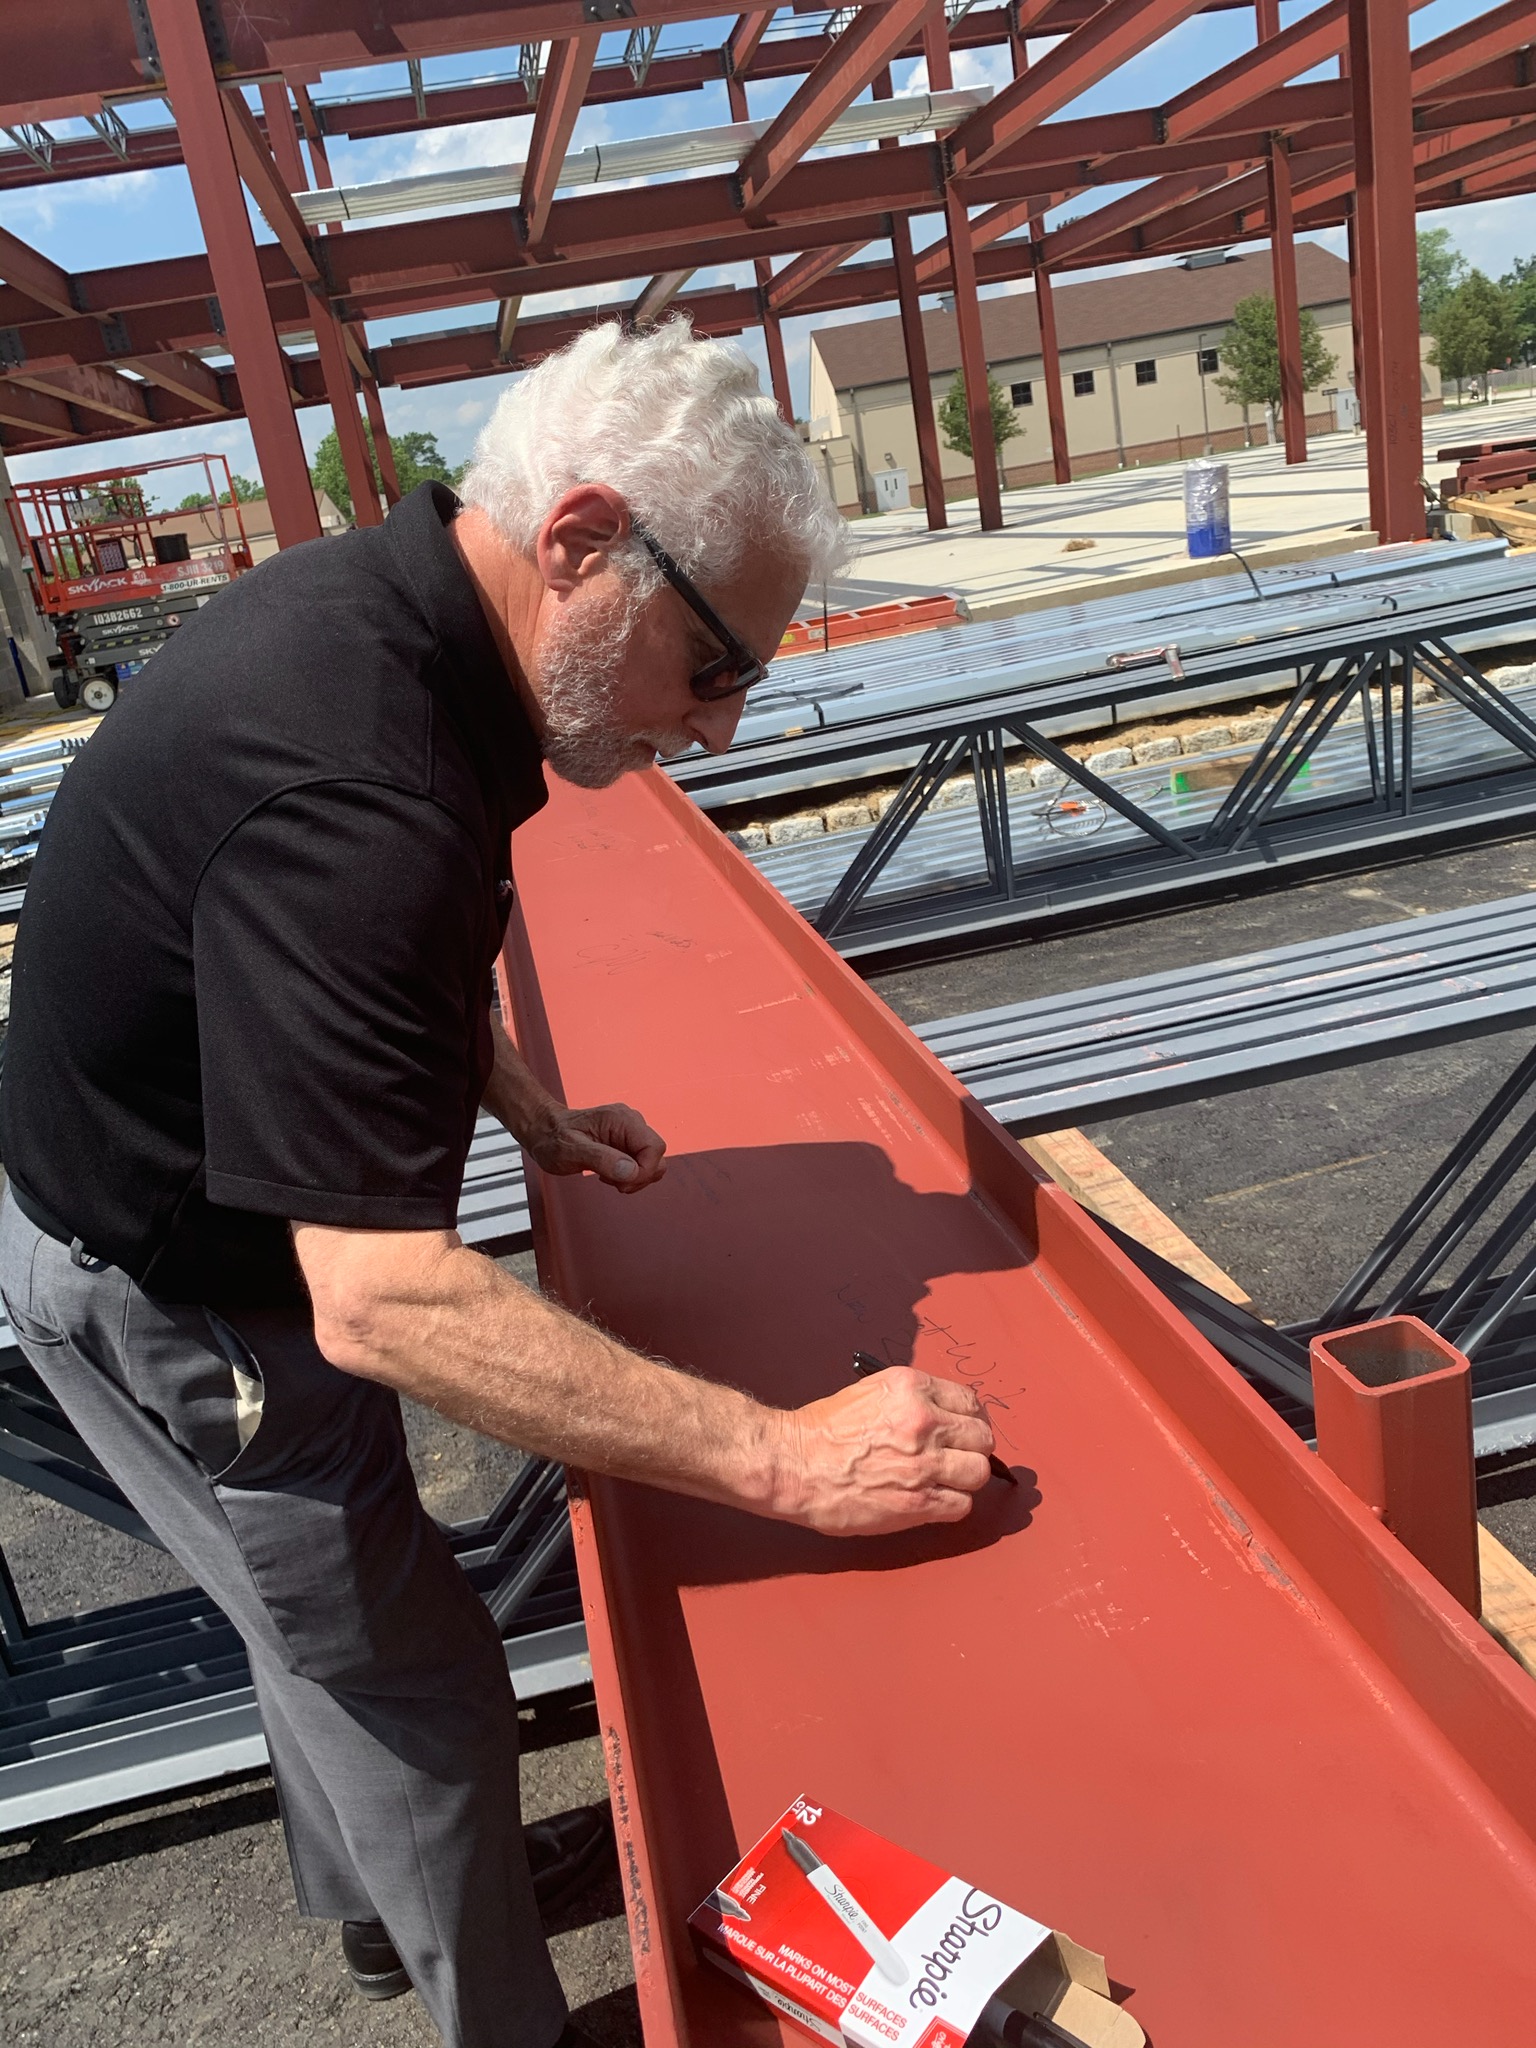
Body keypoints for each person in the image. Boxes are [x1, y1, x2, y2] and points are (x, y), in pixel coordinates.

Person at [0, 320, 998, 2048]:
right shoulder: (357, 780)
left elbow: (340, 965)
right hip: (168, 1284)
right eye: (713, 665)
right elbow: (381, 1299)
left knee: (313, 1628)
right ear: (583, 539)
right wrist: (793, 1454)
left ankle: (385, 1918)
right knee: (419, 1677)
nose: (725, 722)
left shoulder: (407, 630)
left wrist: (510, 1094)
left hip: (156, 1209)